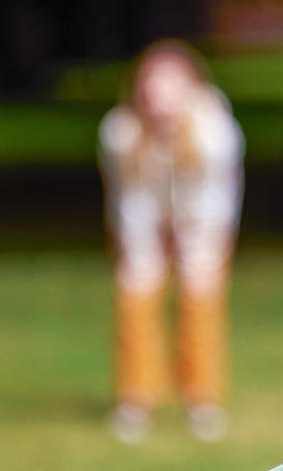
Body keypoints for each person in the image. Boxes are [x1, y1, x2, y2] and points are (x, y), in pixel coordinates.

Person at [98, 40, 245, 442]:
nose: (159, 100)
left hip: (203, 225)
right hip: (142, 224)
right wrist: (145, 247)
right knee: (135, 296)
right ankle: (135, 399)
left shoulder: (215, 131)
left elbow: (216, 198)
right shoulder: (120, 132)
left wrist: (192, 242)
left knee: (200, 300)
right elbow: (129, 199)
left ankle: (202, 400)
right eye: (151, 89)